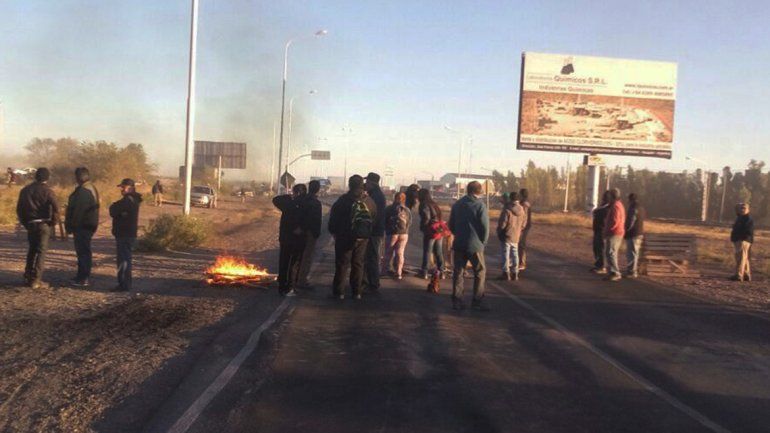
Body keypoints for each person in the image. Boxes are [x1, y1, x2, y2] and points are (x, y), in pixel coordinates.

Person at [328, 175, 377, 300]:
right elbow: (374, 218)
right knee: (358, 263)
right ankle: (357, 292)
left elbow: (334, 218)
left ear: (349, 185)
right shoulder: (369, 201)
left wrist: (333, 232)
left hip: (344, 236)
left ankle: (339, 292)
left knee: (342, 264)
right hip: (362, 238)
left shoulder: (343, 200)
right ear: (362, 185)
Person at [448, 181, 490, 311]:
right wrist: (483, 242)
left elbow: (451, 225)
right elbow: (485, 227)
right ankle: (477, 301)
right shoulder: (480, 205)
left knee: (458, 272)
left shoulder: (457, 204)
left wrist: (459, 235)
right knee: (480, 272)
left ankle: (457, 300)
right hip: (475, 245)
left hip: (459, 243)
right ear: (479, 191)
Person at [16, 167, 60, 289]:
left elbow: (19, 210)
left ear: (35, 176)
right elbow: (56, 209)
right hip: (43, 224)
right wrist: (52, 223)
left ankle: (27, 275)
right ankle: (36, 280)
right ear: (47, 178)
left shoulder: (25, 190)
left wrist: (25, 223)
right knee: (41, 251)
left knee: (32, 250)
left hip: (31, 223)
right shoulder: (48, 191)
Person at [65, 167, 100, 287]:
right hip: (87, 225)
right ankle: (81, 276)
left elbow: (79, 211)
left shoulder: (84, 191)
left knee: (83, 252)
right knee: (83, 251)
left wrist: (71, 226)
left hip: (83, 226)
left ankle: (83, 278)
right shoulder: (89, 187)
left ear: (79, 177)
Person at [272, 184, 307, 297]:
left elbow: (276, 199)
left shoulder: (288, 203)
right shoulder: (305, 204)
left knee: (284, 262)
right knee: (294, 264)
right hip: (297, 239)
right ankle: (290, 288)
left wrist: (290, 196)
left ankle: (282, 286)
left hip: (285, 238)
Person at [109, 178, 142, 292]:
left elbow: (113, 210)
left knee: (123, 260)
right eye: (121, 187)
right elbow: (115, 210)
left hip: (125, 234)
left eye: (123, 187)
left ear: (131, 188)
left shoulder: (129, 200)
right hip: (126, 233)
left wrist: (116, 210)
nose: (121, 189)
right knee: (124, 259)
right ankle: (124, 284)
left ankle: (124, 285)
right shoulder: (131, 200)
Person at [297, 180, 323, 290]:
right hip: (310, 233)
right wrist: (316, 233)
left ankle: (295, 278)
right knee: (307, 257)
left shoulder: (302, 200)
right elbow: (315, 220)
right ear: (318, 189)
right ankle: (302, 281)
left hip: (299, 232)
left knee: (299, 256)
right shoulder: (316, 203)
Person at [363, 172, 386, 292]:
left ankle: (373, 283)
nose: (365, 184)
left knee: (372, 258)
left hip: (374, 232)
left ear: (371, 183)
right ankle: (371, 281)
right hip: (376, 231)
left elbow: (374, 215)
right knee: (371, 257)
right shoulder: (376, 194)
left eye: (366, 182)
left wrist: (368, 229)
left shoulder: (376, 196)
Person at [382, 191, 412, 280]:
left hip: (392, 233)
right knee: (400, 253)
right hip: (404, 234)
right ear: (404, 199)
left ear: (395, 198)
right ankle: (399, 272)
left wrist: (386, 229)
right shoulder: (407, 210)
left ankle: (384, 271)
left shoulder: (389, 208)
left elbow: (384, 221)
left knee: (388, 253)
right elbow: (410, 222)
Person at [418, 188, 446, 279]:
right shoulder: (434, 203)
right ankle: (441, 272)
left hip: (430, 230)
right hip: (439, 230)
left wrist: (423, 227)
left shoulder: (424, 204)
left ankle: (424, 272)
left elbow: (426, 217)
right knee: (438, 251)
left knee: (427, 251)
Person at [497, 191, 525, 281]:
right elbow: (523, 223)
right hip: (516, 235)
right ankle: (515, 273)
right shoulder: (522, 209)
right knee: (515, 254)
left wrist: (499, 231)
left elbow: (503, 223)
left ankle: (506, 273)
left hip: (507, 234)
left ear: (510, 198)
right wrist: (519, 230)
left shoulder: (507, 209)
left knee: (506, 254)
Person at [602, 188, 626, 281]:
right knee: (610, 252)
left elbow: (614, 221)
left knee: (611, 252)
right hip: (616, 232)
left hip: (614, 233)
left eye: (609, 196)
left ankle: (615, 272)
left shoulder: (616, 206)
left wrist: (607, 231)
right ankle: (612, 271)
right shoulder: (618, 205)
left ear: (612, 196)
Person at [730, 203, 754, 282]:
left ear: (748, 210)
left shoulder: (747, 219)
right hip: (742, 240)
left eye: (744, 208)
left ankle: (739, 275)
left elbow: (748, 231)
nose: (742, 210)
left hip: (743, 241)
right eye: (741, 208)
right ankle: (746, 275)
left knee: (740, 258)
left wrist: (741, 238)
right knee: (745, 258)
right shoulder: (740, 218)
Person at [624, 193, 646, 278]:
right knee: (635, 253)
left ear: (630, 200)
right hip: (640, 233)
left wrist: (626, 230)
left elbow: (630, 222)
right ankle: (632, 270)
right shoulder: (641, 208)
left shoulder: (633, 208)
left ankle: (632, 271)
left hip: (633, 234)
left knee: (631, 253)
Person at [590, 191, 610, 274]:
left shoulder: (608, 208)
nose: (602, 199)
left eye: (604, 197)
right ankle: (598, 264)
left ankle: (602, 266)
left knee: (601, 249)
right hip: (597, 229)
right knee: (596, 248)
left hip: (602, 230)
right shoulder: (602, 207)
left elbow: (598, 212)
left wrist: (596, 211)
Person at [518, 188, 532, 271]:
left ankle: (522, 263)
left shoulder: (525, 204)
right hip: (524, 226)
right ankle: (519, 261)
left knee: (521, 244)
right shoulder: (524, 203)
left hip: (524, 227)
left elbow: (525, 217)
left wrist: (521, 227)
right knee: (519, 244)